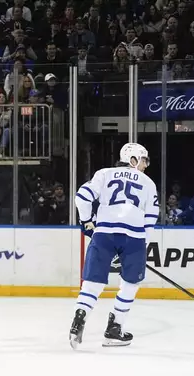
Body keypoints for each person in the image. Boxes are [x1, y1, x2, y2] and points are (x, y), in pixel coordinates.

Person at [70, 143, 159, 349]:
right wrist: (139, 246)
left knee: (92, 283)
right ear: (133, 160)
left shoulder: (104, 173)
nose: (145, 165)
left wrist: (86, 221)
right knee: (130, 284)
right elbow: (151, 217)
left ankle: (78, 322)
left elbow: (82, 197)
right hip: (134, 236)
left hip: (104, 234)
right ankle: (114, 329)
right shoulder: (148, 183)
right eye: (144, 160)